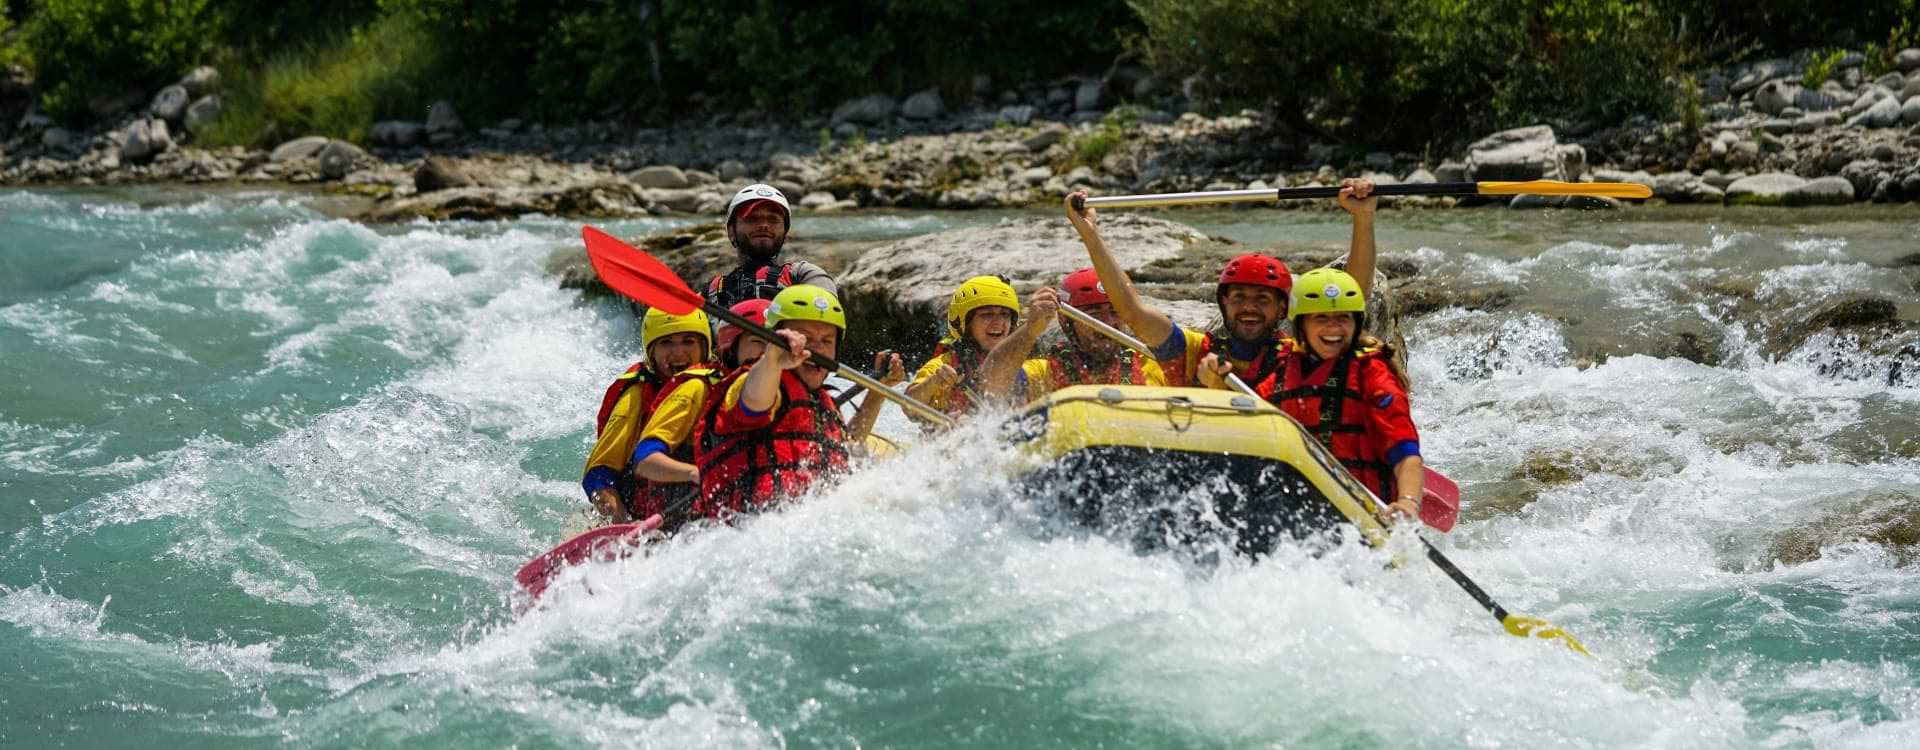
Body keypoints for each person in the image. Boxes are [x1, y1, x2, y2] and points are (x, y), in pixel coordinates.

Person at [1061, 179, 1379, 389]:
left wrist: (1362, 219)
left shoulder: (1299, 355)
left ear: (1283, 307)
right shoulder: (1190, 350)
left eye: (1262, 299)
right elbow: (1131, 310)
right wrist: (1091, 234)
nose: (1249, 308)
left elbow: (1351, 298)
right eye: (1239, 296)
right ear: (1223, 303)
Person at [1217, 267, 1424, 523]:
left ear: (1356, 322)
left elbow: (1406, 455)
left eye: (1343, 318)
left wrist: (1408, 502)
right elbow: (1245, 426)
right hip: (1294, 511)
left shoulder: (1372, 373)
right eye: (1321, 318)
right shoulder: (1281, 369)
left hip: (1360, 512)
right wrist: (1215, 383)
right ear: (1301, 325)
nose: (1333, 327)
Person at [692, 284, 858, 518]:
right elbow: (754, 402)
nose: (817, 349)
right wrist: (772, 359)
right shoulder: (753, 381)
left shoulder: (823, 401)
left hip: (814, 528)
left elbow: (848, 451)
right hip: (745, 531)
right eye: (806, 338)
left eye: (827, 340)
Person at [623, 299, 772, 532]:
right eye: (758, 341)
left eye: (776, 344)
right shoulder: (697, 387)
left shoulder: (792, 389)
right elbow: (645, 459)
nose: (769, 352)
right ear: (731, 349)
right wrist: (697, 474)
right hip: (683, 524)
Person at [582, 307, 713, 523]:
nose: (678, 353)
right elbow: (598, 477)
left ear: (704, 347)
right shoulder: (636, 396)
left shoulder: (717, 383)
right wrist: (622, 521)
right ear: (651, 352)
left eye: (688, 341)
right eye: (666, 343)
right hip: (639, 516)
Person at [980, 268, 1167, 405]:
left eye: (1114, 312)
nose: (1108, 323)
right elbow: (992, 380)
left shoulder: (1153, 362)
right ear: (1069, 323)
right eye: (1093, 315)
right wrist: (1030, 330)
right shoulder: (1047, 372)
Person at [903, 275, 1021, 426]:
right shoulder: (945, 364)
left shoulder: (1020, 360)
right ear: (965, 324)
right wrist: (934, 381)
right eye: (987, 314)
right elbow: (909, 407)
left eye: (1005, 314)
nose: (998, 321)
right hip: (952, 440)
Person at [705, 184, 838, 310]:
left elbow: (827, 319)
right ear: (731, 231)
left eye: (773, 219)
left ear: (785, 231)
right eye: (752, 219)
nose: (764, 225)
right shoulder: (711, 292)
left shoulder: (804, 275)